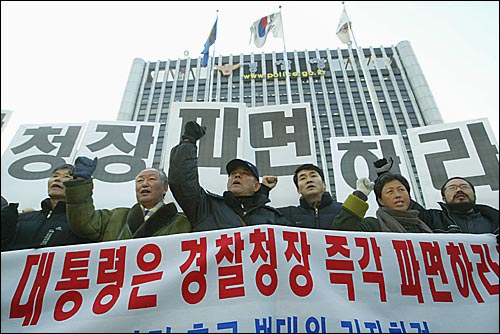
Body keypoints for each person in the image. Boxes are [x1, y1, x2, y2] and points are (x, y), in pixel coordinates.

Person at [168, 121, 293, 232]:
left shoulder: (273, 216)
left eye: (244, 173)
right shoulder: (206, 207)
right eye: (233, 174)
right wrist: (188, 142)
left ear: (256, 186)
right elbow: (182, 182)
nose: (237, 175)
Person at [63, 157, 191, 241]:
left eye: (151, 179)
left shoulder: (184, 223)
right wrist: (80, 182)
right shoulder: (116, 216)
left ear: (165, 188)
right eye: (140, 181)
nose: (144, 184)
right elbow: (83, 224)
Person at [1, 164, 93, 251]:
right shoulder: (21, 219)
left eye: (66, 177)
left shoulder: (82, 223)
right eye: (55, 176)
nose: (57, 179)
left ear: (76, 186)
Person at [333, 173, 433, 233]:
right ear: (380, 200)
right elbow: (342, 231)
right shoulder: (372, 226)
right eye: (390, 191)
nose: (397, 195)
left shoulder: (423, 225)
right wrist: (360, 195)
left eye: (401, 190)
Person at [260, 163, 343, 229]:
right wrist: (263, 190)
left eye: (313, 176)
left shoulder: (343, 211)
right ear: (298, 190)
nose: (309, 180)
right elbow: (258, 218)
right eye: (303, 178)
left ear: (324, 184)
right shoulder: (288, 215)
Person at [418, 176, 498, 234]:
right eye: (452, 188)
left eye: (464, 187)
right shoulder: (433, 219)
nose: (459, 190)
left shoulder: (495, 220)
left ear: (474, 194)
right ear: (444, 199)